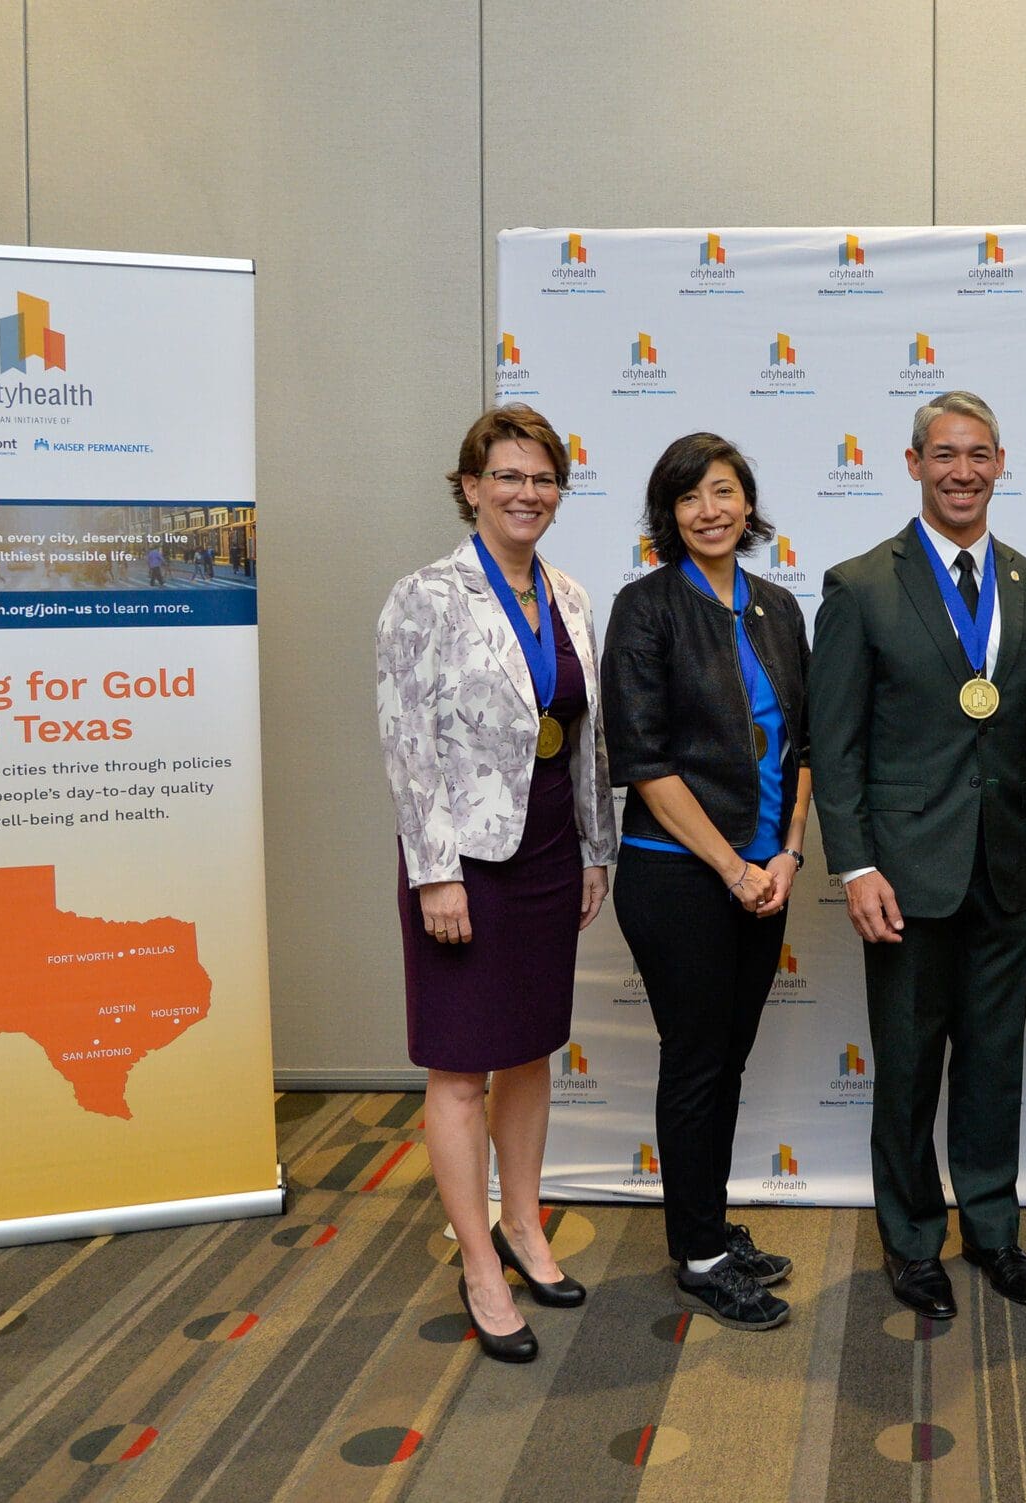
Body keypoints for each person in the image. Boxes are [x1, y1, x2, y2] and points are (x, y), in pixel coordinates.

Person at [807, 390, 1026, 1322]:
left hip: (1010, 870)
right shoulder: (859, 585)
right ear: (913, 462)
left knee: (995, 1060)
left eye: (979, 455)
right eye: (944, 454)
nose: (962, 471)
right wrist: (854, 865)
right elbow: (833, 745)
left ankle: (995, 1232)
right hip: (905, 874)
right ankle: (913, 1240)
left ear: (1002, 463)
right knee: (910, 1063)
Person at [375, 403, 615, 1363]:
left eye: (543, 477)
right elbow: (407, 744)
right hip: (466, 864)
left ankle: (525, 1225)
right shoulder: (426, 596)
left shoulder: (571, 594)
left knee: (529, 1050)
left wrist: (598, 845)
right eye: (507, 476)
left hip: (553, 847)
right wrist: (436, 873)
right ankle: (478, 1259)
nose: (527, 493)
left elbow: (588, 740)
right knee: (461, 1065)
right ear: (470, 487)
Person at [603, 433, 810, 1333]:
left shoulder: (777, 607)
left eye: (723, 491)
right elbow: (643, 760)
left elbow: (803, 744)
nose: (709, 510)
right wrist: (731, 867)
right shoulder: (644, 609)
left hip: (767, 873)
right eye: (689, 497)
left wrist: (787, 855)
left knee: (726, 1057)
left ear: (747, 502)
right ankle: (696, 1256)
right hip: (679, 876)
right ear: (668, 515)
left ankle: (710, 1225)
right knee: (695, 1059)